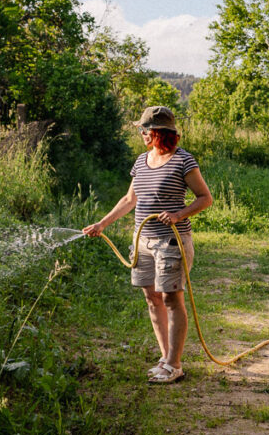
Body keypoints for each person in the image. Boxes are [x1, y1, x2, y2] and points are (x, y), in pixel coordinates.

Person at [82, 106, 213, 384]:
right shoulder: (141, 161)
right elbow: (129, 200)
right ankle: (165, 358)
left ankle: (175, 365)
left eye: (144, 130)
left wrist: (179, 214)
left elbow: (205, 198)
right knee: (152, 298)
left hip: (171, 241)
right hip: (142, 242)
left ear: (157, 133)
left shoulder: (183, 161)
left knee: (170, 297)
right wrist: (102, 224)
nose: (141, 134)